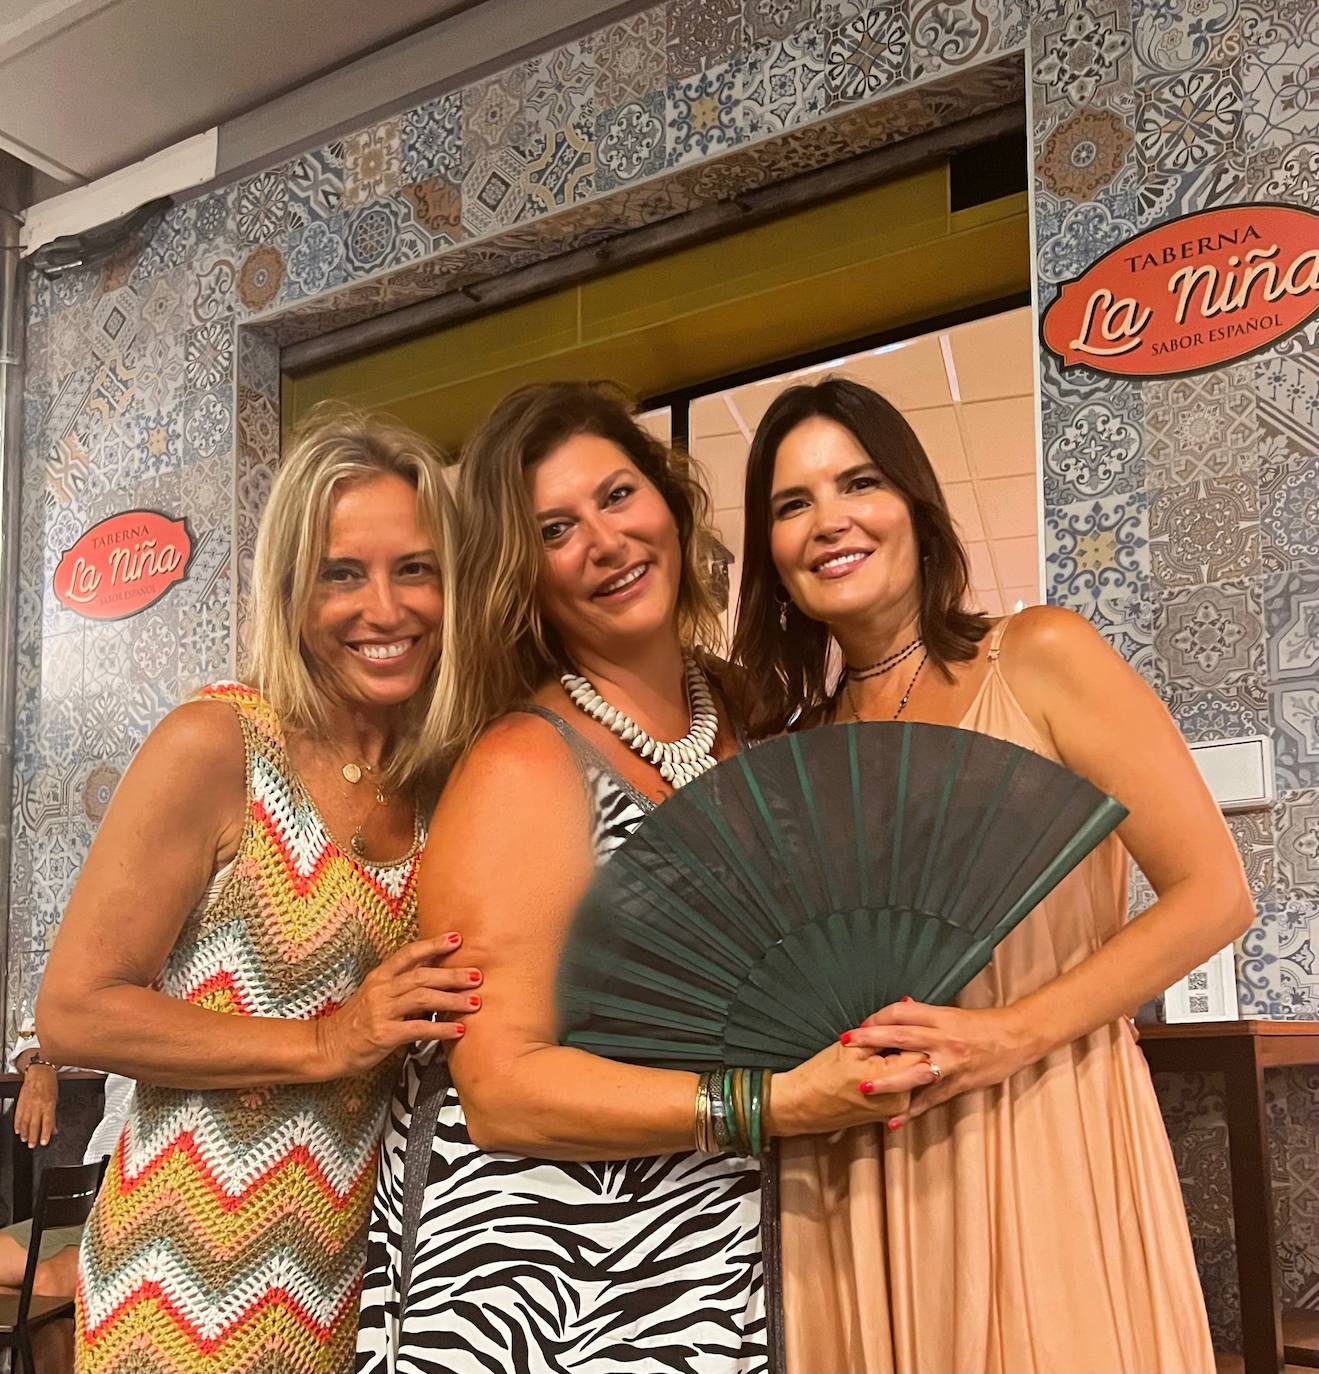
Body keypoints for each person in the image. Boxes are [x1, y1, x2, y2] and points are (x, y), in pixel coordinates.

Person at [355, 381, 934, 1374]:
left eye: (617, 497)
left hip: (715, 1264)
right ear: (520, 575)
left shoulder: (747, 718)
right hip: (540, 1289)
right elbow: (502, 1093)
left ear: (667, 502)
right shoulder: (523, 764)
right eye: (554, 530)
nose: (604, 542)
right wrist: (769, 1105)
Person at [730, 376, 1252, 1374]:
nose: (828, 520)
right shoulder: (788, 750)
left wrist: (1004, 1035)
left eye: (857, 482)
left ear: (914, 507)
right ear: (771, 556)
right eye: (791, 505)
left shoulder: (1039, 656)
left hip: (1040, 1118)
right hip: (852, 1167)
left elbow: (1213, 894)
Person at [36, 404, 481, 1374]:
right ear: (288, 588)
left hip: (357, 1293)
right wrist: (326, 1041)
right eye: (341, 573)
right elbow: (72, 1011)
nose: (385, 608)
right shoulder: (222, 746)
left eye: (414, 569)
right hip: (181, 1291)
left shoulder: (451, 781)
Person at [1, 1031, 133, 1374]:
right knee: (27, 1292)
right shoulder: (123, 1004)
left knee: (44, 1286)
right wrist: (42, 1066)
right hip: (93, 1192)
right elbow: (43, 1035)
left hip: (144, 1199)